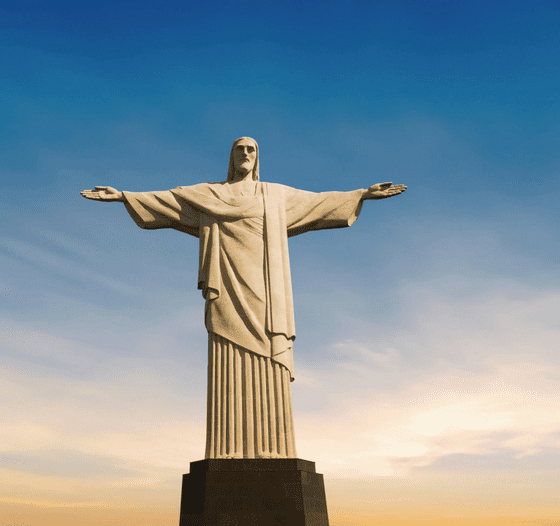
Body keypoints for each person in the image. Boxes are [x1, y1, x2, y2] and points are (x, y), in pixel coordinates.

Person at [81, 137, 406, 459]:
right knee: (228, 356)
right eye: (240, 149)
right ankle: (226, 449)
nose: (246, 154)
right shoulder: (211, 194)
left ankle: (275, 448)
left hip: (266, 289)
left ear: (258, 157)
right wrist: (124, 196)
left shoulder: (275, 195)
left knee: (268, 352)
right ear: (231, 156)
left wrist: (362, 194)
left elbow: (319, 202)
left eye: (252, 149)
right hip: (226, 285)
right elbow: (168, 201)